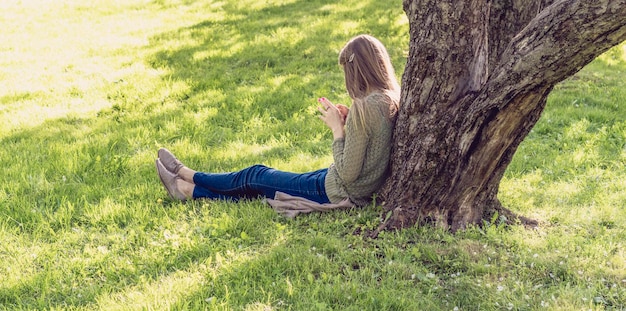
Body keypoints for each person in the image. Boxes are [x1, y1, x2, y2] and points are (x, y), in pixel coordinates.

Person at [155, 34, 400, 216]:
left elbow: (348, 171)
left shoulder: (365, 107)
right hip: (345, 185)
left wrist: (337, 129)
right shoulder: (390, 99)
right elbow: (367, 147)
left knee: (255, 176)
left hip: (337, 189)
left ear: (356, 70)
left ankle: (186, 178)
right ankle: (187, 185)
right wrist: (352, 126)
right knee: (262, 187)